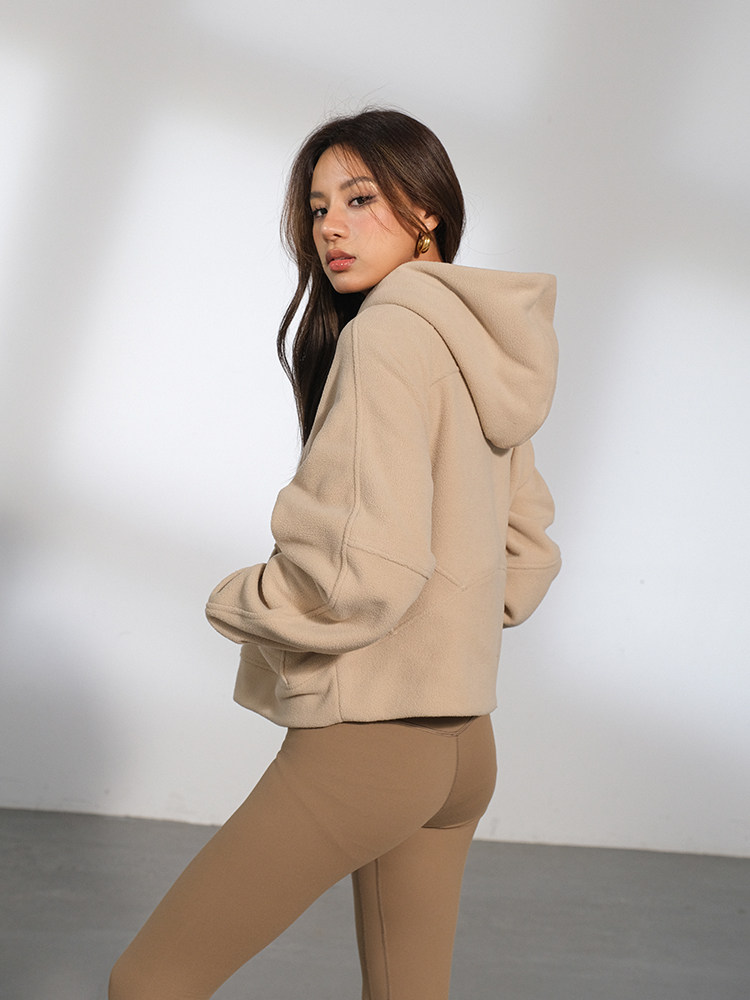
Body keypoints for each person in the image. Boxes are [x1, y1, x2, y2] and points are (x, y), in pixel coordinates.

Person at [109, 108, 561, 1000]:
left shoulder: (386, 335)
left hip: (373, 743)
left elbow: (361, 571)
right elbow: (527, 551)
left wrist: (238, 601)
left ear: (426, 209)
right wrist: (455, 619)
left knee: (149, 983)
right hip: (463, 742)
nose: (331, 229)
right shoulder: (483, 344)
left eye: (359, 199)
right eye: (318, 209)